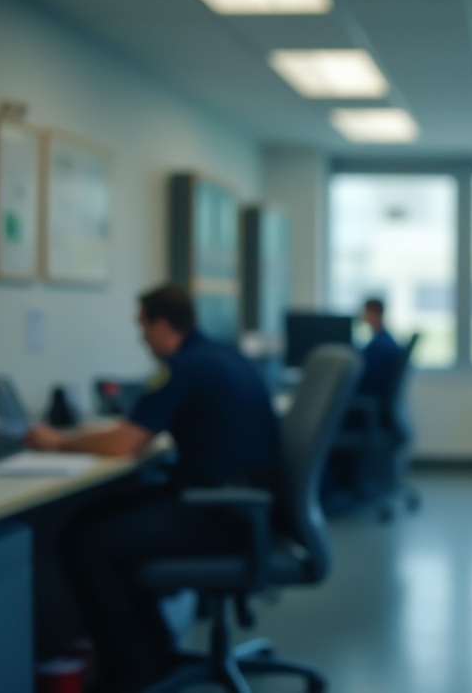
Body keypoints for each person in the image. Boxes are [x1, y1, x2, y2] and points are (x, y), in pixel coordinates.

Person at [24, 284, 281, 692]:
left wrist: (57, 442)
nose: (141, 339)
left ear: (162, 325)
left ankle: (131, 672)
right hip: (242, 506)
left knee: (82, 539)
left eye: (142, 328)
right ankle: (153, 653)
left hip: (219, 512)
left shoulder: (184, 366)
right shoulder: (223, 356)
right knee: (101, 520)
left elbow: (125, 442)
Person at [358, 297, 402, 399]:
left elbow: (366, 373)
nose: (362, 316)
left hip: (374, 394)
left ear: (373, 313)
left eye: (365, 312)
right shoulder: (383, 339)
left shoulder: (381, 345)